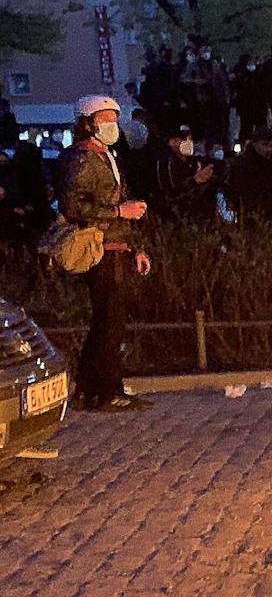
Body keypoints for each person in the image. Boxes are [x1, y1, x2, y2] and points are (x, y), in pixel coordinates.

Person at [61, 95, 153, 411]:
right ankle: (108, 390)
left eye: (114, 118)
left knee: (107, 321)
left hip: (115, 246)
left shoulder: (107, 155)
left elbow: (120, 202)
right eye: (105, 119)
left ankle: (89, 389)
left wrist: (136, 247)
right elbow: (73, 206)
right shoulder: (83, 158)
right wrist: (118, 211)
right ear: (87, 123)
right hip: (100, 248)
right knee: (110, 323)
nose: (112, 124)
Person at [154, 125, 218, 221]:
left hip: (198, 215)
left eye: (189, 138)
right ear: (172, 142)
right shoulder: (165, 163)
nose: (188, 142)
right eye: (183, 139)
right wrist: (194, 181)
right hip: (176, 217)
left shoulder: (195, 161)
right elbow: (169, 195)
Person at [228, 129, 272, 221]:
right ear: (255, 144)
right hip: (248, 212)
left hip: (271, 213)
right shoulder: (242, 164)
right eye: (264, 145)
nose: (269, 149)